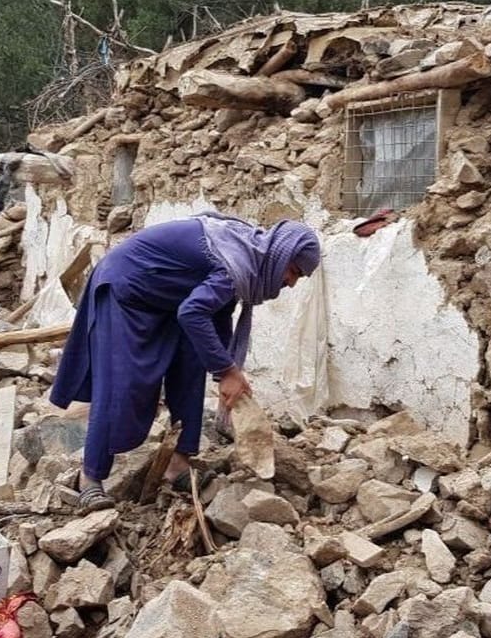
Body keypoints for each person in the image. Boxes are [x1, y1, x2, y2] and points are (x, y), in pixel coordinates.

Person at [50, 212, 321, 510]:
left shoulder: (246, 259)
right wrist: (227, 370)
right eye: (293, 271)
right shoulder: (236, 262)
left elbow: (216, 316)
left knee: (192, 367)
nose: (291, 283)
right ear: (280, 255)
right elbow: (193, 313)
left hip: (168, 299)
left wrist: (226, 372)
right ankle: (91, 479)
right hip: (126, 288)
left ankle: (178, 464)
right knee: (122, 385)